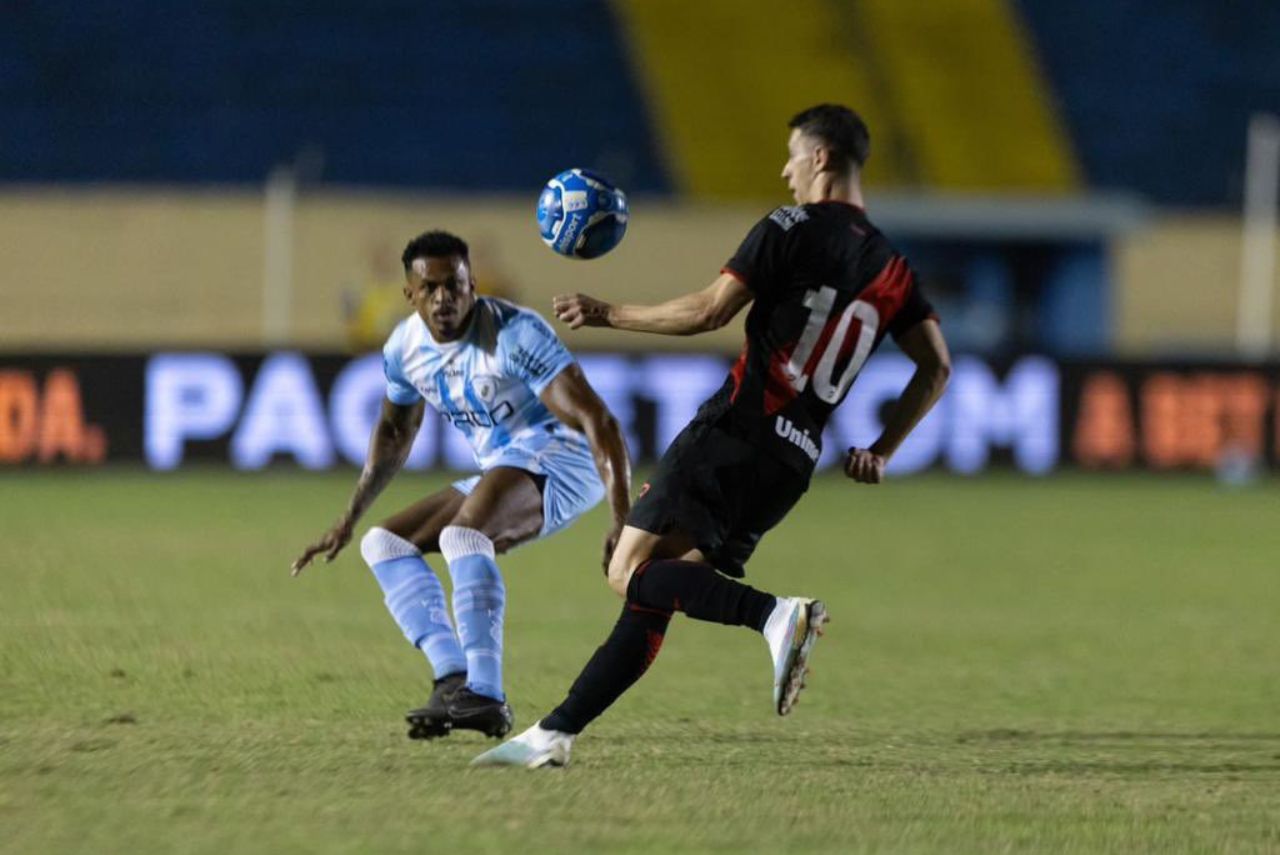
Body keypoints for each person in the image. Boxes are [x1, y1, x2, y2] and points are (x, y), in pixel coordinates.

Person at [473, 104, 952, 767]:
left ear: (821, 158)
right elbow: (936, 366)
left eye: (792, 153)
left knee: (627, 571)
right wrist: (883, 448)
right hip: (792, 462)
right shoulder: (894, 268)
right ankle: (554, 733)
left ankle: (774, 615)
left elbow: (707, 311)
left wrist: (607, 311)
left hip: (737, 427)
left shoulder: (790, 227)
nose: (785, 169)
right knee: (658, 589)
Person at [292, 230, 631, 740]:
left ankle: (487, 696)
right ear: (409, 294)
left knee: (461, 536)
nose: (444, 298)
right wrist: (348, 518)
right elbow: (394, 431)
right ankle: (453, 681)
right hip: (503, 463)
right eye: (429, 288)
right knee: (385, 545)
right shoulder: (404, 348)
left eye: (455, 285)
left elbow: (598, 421)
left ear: (473, 284)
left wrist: (622, 518)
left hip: (564, 459)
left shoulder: (515, 334)